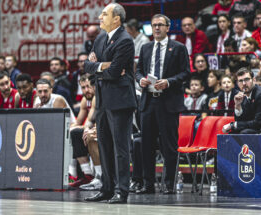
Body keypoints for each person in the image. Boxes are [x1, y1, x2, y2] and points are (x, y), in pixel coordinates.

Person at [83, 3, 137, 204]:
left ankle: (122, 190)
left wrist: (100, 67)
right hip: (103, 100)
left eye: (104, 14)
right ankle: (106, 188)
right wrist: (102, 66)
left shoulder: (125, 40)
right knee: (103, 145)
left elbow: (115, 72)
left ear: (117, 18)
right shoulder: (99, 38)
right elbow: (87, 66)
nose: (100, 16)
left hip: (120, 101)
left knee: (120, 148)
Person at [135, 14, 190, 195]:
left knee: (169, 146)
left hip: (168, 102)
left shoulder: (179, 48)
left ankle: (168, 184)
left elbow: (185, 74)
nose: (156, 28)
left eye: (160, 25)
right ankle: (147, 184)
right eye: (153, 25)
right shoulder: (145, 48)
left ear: (168, 27)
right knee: (146, 145)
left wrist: (169, 81)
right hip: (148, 101)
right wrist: (141, 80)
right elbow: (139, 72)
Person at [222, 67, 261, 134]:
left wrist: (233, 125)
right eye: (240, 81)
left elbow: (257, 123)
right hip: (258, 130)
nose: (244, 83)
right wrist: (237, 106)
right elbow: (242, 121)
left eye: (247, 79)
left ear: (254, 80)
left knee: (245, 132)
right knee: (233, 132)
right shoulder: (243, 95)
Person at [69, 74, 103, 190]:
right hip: (95, 129)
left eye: (88, 86)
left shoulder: (97, 97)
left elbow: (89, 122)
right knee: (72, 132)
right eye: (83, 87)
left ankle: (97, 176)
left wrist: (85, 129)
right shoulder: (85, 100)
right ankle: (87, 174)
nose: (86, 90)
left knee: (84, 134)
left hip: (105, 130)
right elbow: (79, 121)